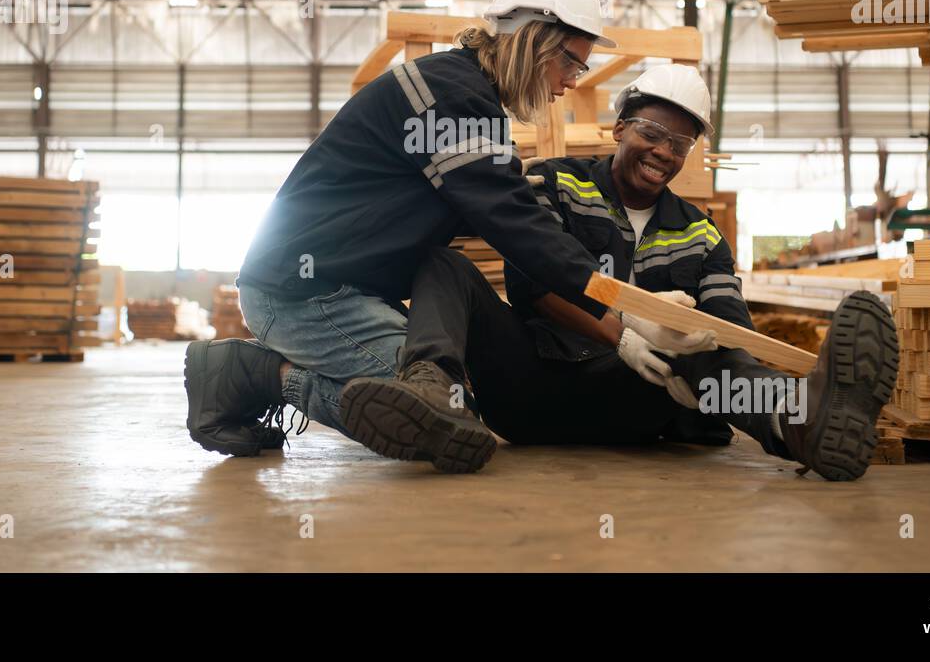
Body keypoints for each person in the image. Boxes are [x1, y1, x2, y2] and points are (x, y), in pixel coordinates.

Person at [184, 0, 714, 472]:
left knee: (447, 402)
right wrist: (623, 308)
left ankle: (250, 372)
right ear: (535, 43)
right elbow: (510, 219)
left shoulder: (466, 98)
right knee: (435, 413)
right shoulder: (450, 98)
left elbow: (501, 206)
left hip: (340, 291)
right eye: (572, 62)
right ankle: (259, 375)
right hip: (300, 294)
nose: (574, 80)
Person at [342, 64, 900, 481]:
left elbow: (730, 330)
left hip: (641, 402)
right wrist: (624, 333)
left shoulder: (702, 234)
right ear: (619, 129)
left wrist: (702, 381)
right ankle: (435, 397)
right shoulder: (556, 184)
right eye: (652, 133)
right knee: (444, 264)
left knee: (710, 341)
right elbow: (533, 288)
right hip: (533, 387)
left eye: (680, 144)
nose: (663, 151)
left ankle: (802, 422)